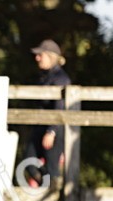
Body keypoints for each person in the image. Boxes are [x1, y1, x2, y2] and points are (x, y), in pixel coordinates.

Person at [24, 39, 71, 189]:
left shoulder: (61, 79)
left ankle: (53, 191)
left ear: (50, 56)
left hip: (53, 129)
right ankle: (48, 188)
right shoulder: (44, 77)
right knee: (29, 162)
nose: (37, 58)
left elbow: (60, 107)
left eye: (40, 55)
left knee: (52, 168)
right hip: (40, 126)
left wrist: (51, 131)